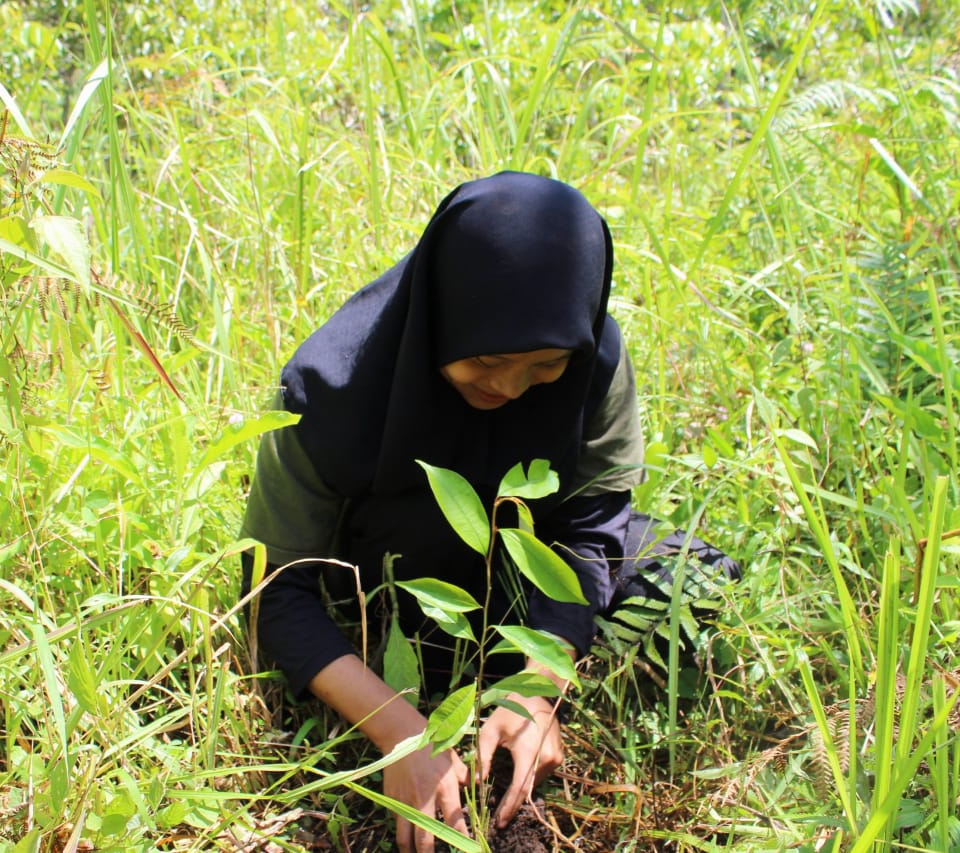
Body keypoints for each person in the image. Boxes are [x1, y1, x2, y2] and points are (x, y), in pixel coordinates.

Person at [240, 172, 738, 852]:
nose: (508, 386)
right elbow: (274, 589)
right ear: (439, 319)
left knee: (691, 579)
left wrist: (538, 685)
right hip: (387, 593)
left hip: (525, 570)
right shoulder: (332, 392)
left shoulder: (593, 357)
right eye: (486, 359)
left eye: (544, 366)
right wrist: (399, 731)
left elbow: (591, 526)